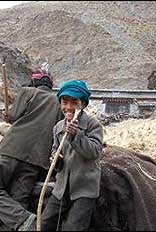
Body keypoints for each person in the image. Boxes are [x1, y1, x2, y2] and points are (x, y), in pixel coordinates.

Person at [0, 71, 64, 231]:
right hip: (38, 158)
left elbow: (14, 115)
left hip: (14, 149)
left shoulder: (28, 92)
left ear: (34, 83)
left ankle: (26, 221)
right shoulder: (59, 102)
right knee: (19, 198)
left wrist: (8, 115)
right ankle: (24, 224)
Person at [41, 80, 104, 231]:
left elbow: (94, 151)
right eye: (65, 102)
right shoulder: (58, 127)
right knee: (44, 223)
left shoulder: (92, 125)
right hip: (61, 188)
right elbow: (55, 151)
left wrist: (77, 135)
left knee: (74, 227)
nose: (69, 107)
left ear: (82, 104)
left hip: (84, 189)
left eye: (74, 102)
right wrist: (55, 159)